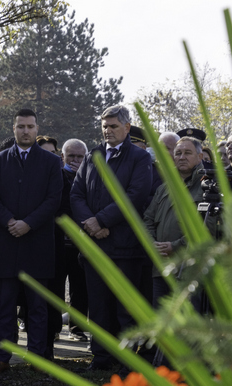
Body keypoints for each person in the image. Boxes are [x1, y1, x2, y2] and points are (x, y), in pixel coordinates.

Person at [70, 104, 153, 372]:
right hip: (95, 245)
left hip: (126, 248)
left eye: (113, 126)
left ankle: (126, 360)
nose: (108, 131)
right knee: (98, 306)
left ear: (127, 127)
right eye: (104, 126)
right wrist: (91, 224)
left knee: (124, 308)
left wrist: (102, 220)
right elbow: (76, 194)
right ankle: (101, 357)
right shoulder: (92, 156)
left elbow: (135, 196)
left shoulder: (139, 158)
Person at [0, 109, 62, 374]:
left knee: (37, 306)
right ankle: (1, 358)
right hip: (7, 244)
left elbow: (53, 199)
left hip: (38, 244)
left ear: (37, 128)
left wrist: (28, 223)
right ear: (13, 128)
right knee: (5, 306)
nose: (25, 131)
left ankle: (37, 357)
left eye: (30, 126)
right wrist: (9, 221)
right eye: (20, 126)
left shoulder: (51, 162)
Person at [144, 136, 214, 311]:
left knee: (188, 322)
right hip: (162, 268)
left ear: (200, 156)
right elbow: (148, 219)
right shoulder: (164, 188)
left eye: (187, 153)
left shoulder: (209, 187)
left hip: (190, 271)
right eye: (178, 153)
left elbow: (208, 226)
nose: (182, 157)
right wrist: (153, 244)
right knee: (162, 321)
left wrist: (175, 246)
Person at [52, 138, 89, 342]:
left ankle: (77, 329)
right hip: (59, 240)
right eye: (71, 156)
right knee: (56, 286)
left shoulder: (90, 177)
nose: (75, 160)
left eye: (79, 157)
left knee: (80, 288)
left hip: (81, 242)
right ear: (62, 157)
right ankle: (54, 327)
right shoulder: (56, 176)